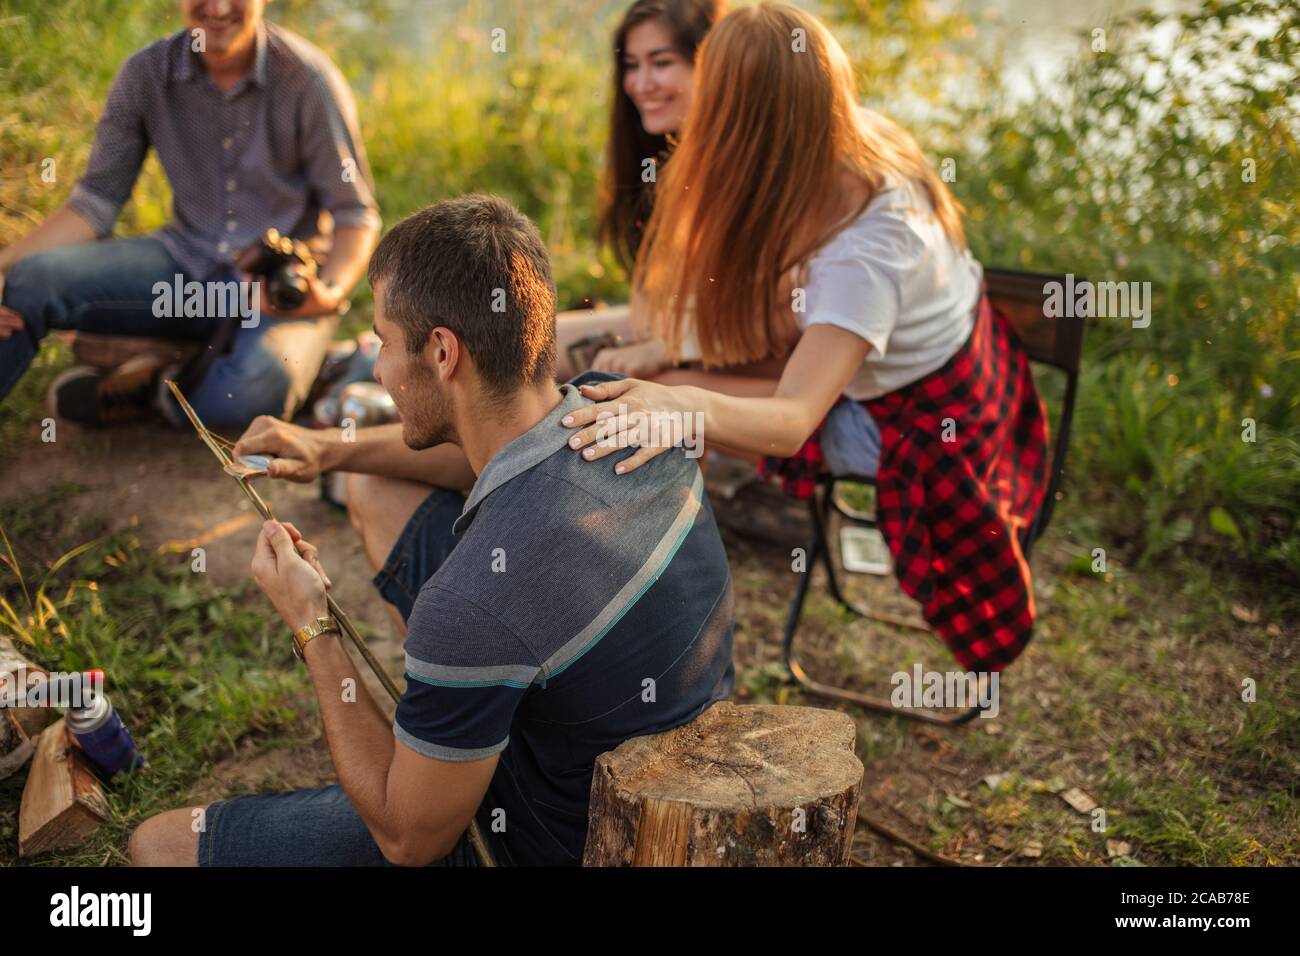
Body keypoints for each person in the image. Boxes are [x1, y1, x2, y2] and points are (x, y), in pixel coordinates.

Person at [127, 195, 735, 866]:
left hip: (548, 842)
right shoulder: (618, 412)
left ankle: (443, 744)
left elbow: (408, 840)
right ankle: (453, 721)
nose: (380, 369)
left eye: (384, 343)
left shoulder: (472, 601)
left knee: (158, 847)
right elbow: (481, 458)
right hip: (656, 768)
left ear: (442, 352)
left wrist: (312, 625)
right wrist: (330, 449)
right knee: (378, 485)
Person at [561, 3, 1051, 674]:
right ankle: (640, 587)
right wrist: (670, 347)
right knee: (661, 384)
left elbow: (791, 420)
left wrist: (674, 397)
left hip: (921, 422)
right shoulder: (851, 137)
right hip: (920, 366)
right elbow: (790, 302)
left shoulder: (868, 251)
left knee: (662, 406)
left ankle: (648, 620)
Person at [0, 0, 380, 427]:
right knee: (26, 283)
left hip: (277, 290)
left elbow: (355, 215)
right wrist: (3, 268)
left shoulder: (308, 80)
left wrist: (326, 292)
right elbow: (96, 201)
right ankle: (252, 364)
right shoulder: (145, 75)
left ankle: (161, 383)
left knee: (256, 390)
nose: (217, 8)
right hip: (184, 268)